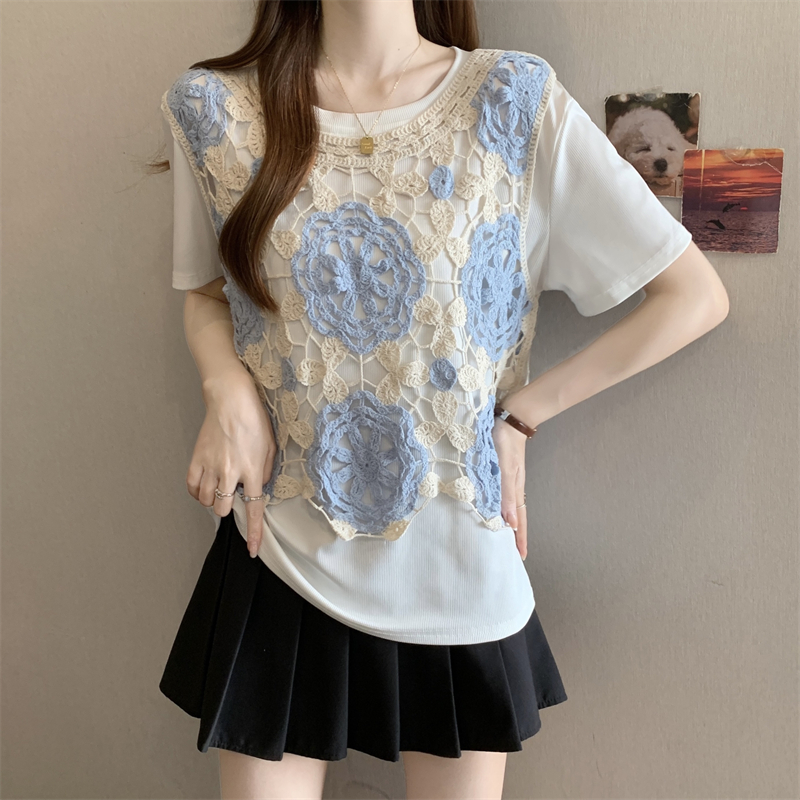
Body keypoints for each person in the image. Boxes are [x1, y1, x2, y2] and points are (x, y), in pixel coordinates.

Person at [154, 1, 730, 797]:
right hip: (279, 544)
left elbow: (693, 297)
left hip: (456, 553)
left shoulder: (511, 101)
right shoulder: (215, 110)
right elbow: (206, 290)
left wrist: (522, 417)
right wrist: (226, 388)